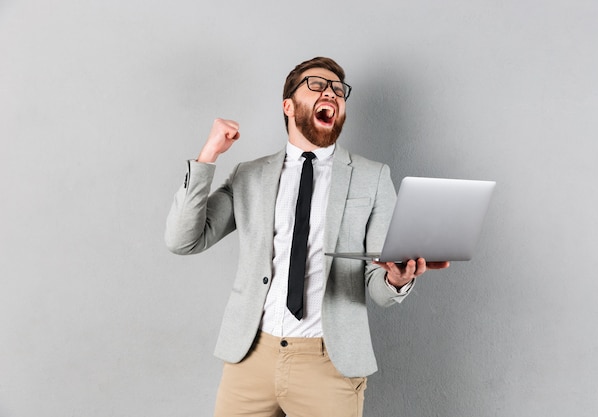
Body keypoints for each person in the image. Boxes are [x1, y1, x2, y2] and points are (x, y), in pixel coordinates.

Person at [165, 56, 450, 417]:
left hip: (328, 363)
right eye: (317, 85)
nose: (330, 93)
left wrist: (397, 278)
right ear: (288, 105)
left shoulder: (372, 178)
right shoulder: (249, 175)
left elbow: (379, 288)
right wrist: (208, 156)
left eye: (338, 90)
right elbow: (183, 239)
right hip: (249, 357)